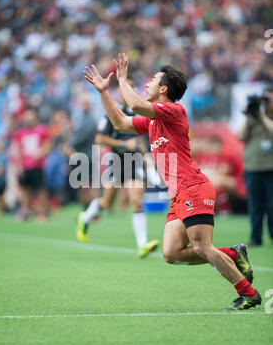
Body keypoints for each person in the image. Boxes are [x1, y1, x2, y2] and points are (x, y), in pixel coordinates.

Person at [83, 54, 262, 311]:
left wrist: (122, 79)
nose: (146, 85)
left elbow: (134, 105)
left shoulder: (173, 110)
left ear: (163, 89)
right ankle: (234, 253)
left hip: (193, 187)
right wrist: (103, 93)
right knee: (171, 254)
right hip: (179, 194)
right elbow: (120, 122)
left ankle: (248, 293)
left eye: (152, 81)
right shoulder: (154, 121)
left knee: (201, 246)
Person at [76, 81, 159, 258]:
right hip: (117, 162)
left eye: (132, 89)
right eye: (126, 90)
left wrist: (148, 158)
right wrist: (123, 143)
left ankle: (142, 245)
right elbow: (99, 139)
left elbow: (140, 140)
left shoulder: (138, 113)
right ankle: (85, 218)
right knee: (106, 204)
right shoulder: (111, 114)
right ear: (119, 94)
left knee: (136, 202)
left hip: (134, 162)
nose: (130, 92)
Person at [238, 88, 273, 246]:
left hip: (270, 167)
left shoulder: (266, 118)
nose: (266, 103)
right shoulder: (252, 117)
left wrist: (262, 116)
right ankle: (255, 237)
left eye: (268, 99)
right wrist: (248, 116)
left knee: (272, 204)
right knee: (255, 204)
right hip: (253, 166)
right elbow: (241, 137)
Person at [15, 107, 51, 221]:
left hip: (38, 165)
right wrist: (19, 165)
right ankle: (26, 210)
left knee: (40, 189)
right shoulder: (21, 133)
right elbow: (19, 150)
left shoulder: (41, 130)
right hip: (26, 165)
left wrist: (41, 154)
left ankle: (43, 211)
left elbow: (47, 145)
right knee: (25, 189)